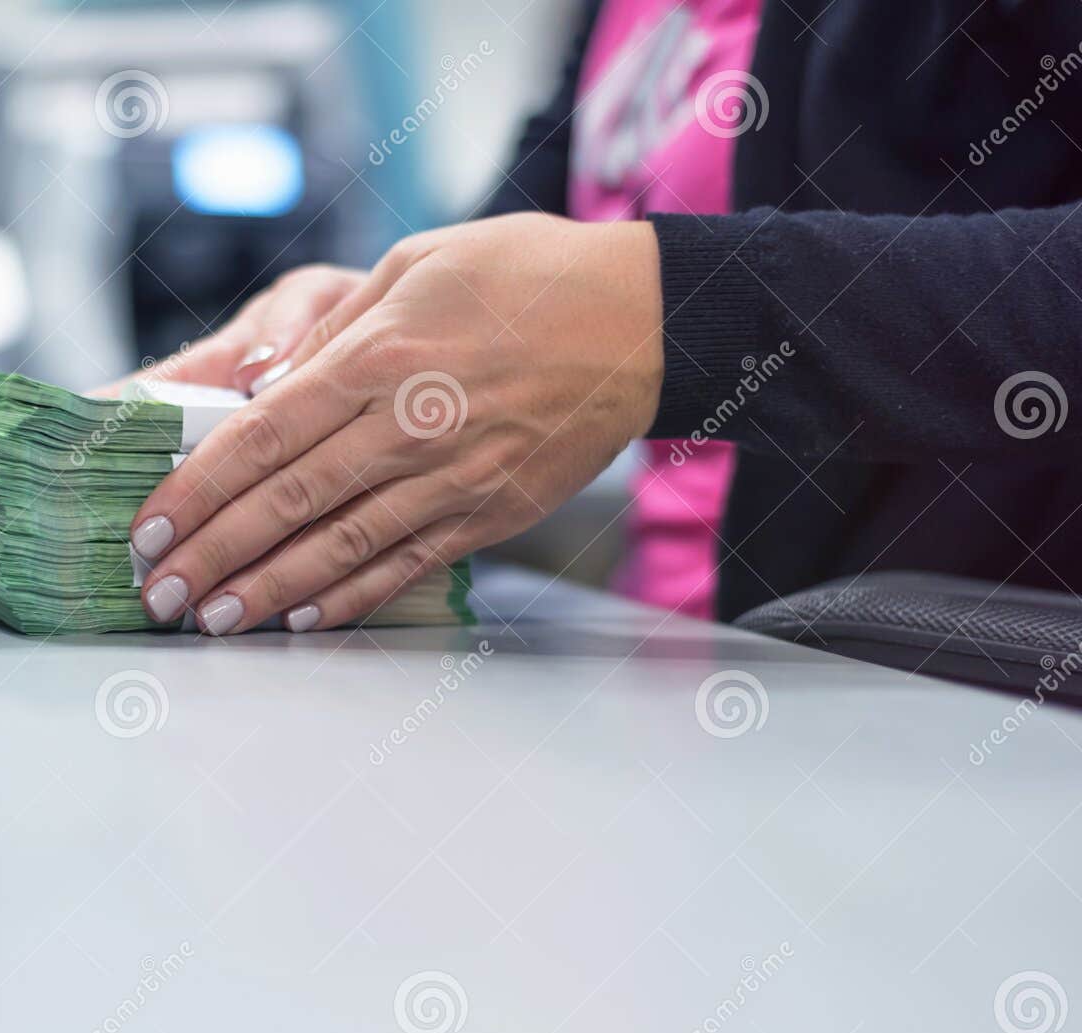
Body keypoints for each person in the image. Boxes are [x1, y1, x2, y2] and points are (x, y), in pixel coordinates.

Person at [122, 0, 1082, 636]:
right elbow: (522, 245)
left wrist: (676, 311)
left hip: (928, 728)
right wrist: (374, 316)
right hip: (675, 683)